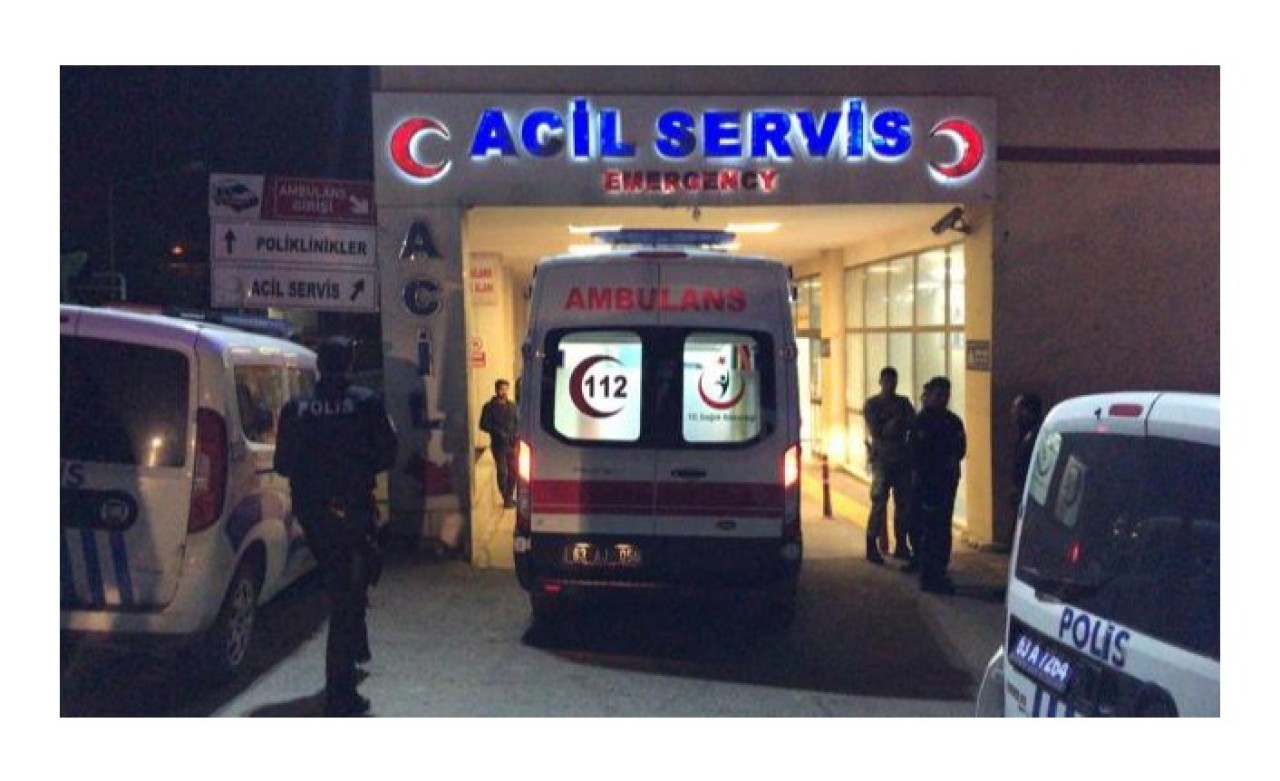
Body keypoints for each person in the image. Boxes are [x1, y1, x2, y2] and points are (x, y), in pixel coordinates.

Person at [275, 337, 398, 717]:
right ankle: (340, 694)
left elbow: (282, 464)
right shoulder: (366, 403)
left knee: (347, 581)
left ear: (319, 365)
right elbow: (389, 452)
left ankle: (356, 651)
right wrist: (354, 468)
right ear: (349, 364)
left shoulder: (296, 408)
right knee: (347, 593)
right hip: (352, 510)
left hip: (313, 513)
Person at [907, 376, 967, 595]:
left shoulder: (953, 422)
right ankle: (928, 574)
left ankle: (939, 571)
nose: (942, 399)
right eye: (938, 394)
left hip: (946, 483)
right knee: (928, 529)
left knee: (942, 528)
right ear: (930, 395)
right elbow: (914, 453)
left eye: (945, 395)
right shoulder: (921, 421)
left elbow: (960, 449)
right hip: (927, 484)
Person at [862, 366, 916, 565]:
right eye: (886, 381)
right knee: (879, 504)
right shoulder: (873, 404)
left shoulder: (903, 402)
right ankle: (871, 544)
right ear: (881, 382)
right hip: (882, 460)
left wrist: (894, 425)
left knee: (903, 504)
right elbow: (877, 430)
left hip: (901, 459)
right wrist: (894, 424)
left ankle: (901, 544)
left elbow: (912, 424)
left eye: (893, 382)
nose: (890, 385)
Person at [479, 379, 519, 508]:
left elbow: (517, 423)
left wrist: (517, 437)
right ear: (496, 390)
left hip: (512, 444)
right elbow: (483, 424)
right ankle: (506, 497)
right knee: (502, 471)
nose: (504, 392)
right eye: (501, 389)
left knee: (514, 471)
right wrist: (497, 431)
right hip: (498, 445)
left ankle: (509, 496)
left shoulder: (512, 406)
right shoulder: (489, 407)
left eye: (506, 389)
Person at [1010, 393, 1044, 512]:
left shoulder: (1037, 437)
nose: (1013, 413)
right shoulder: (1024, 435)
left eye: (1017, 409)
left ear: (1027, 412)